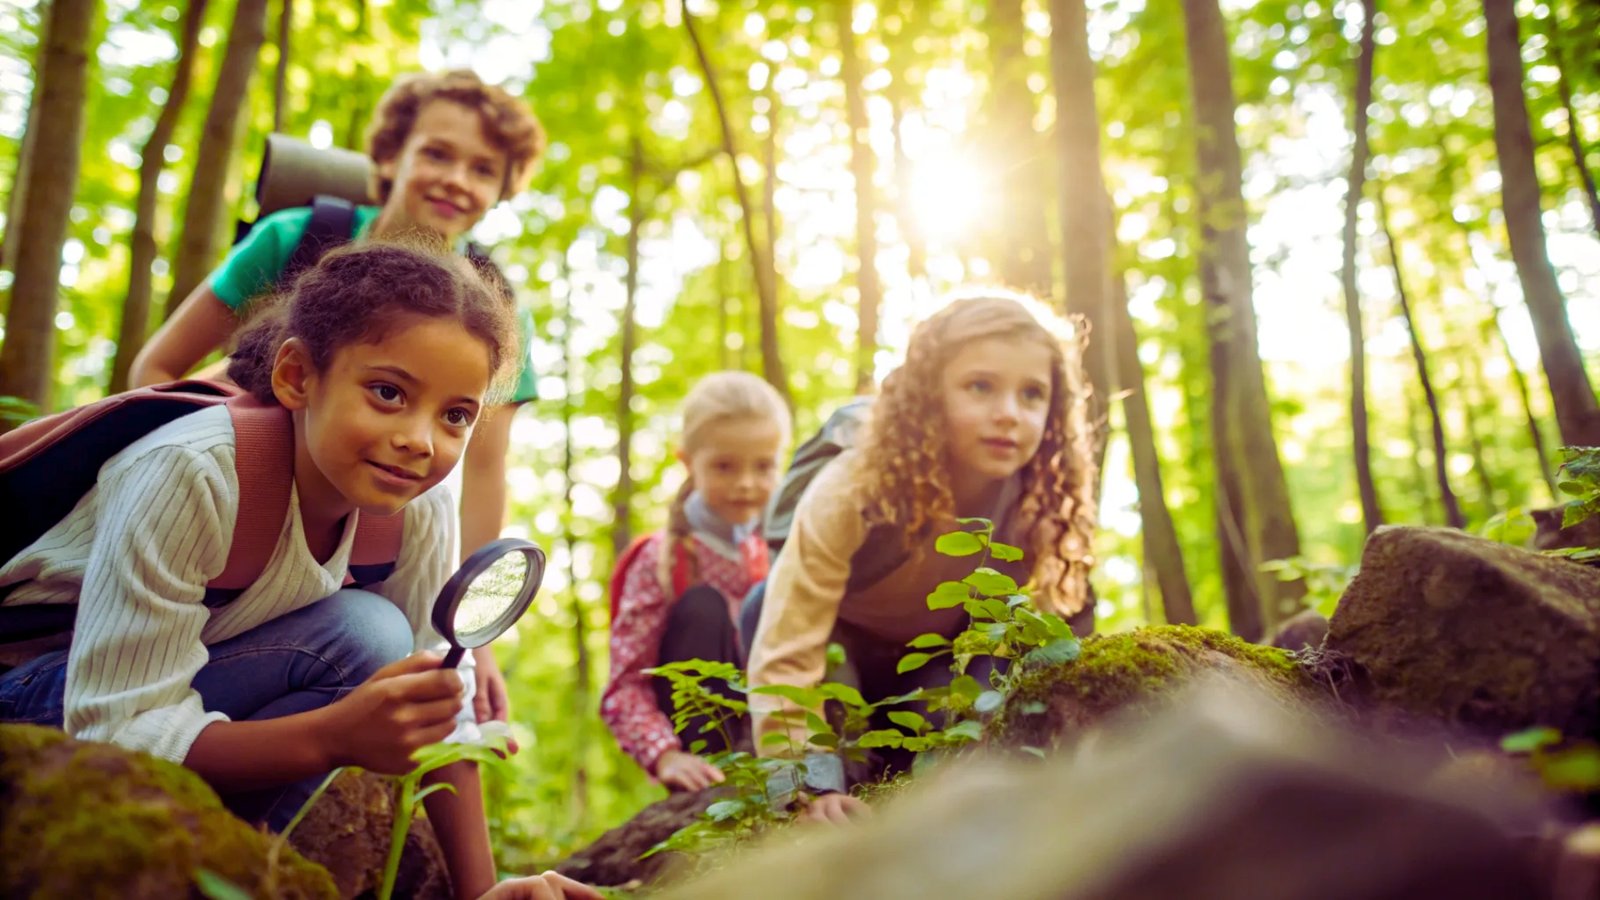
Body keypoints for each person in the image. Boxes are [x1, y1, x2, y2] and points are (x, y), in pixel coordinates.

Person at [0, 242, 596, 900]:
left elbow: (439, 687)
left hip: (171, 689)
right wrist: (332, 738)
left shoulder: (415, 503)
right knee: (365, 638)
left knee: (371, 634)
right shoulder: (192, 473)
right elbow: (113, 726)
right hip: (36, 695)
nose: (421, 440)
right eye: (388, 392)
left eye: (456, 415)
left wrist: (481, 891)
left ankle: (240, 865)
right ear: (296, 377)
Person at [130, 69, 544, 725]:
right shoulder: (296, 239)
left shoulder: (498, 314)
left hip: (348, 565)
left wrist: (474, 634)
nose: (457, 180)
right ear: (388, 156)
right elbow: (157, 364)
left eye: (483, 169)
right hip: (214, 540)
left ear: (500, 189)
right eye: (436, 153)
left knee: (378, 642)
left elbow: (485, 472)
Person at [743, 292, 1098, 823]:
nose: (1008, 414)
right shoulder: (852, 487)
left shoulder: (1041, 503)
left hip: (936, 669)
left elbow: (1047, 646)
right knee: (758, 606)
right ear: (930, 393)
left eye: (1031, 394)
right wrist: (805, 790)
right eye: (980, 386)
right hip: (836, 662)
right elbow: (787, 648)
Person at [601, 372, 791, 792]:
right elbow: (625, 684)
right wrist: (664, 754)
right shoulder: (661, 559)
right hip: (696, 740)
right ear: (687, 461)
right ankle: (712, 769)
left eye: (763, 466)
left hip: (774, 733)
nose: (745, 483)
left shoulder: (788, 552)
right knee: (702, 605)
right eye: (724, 466)